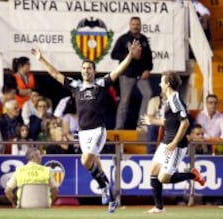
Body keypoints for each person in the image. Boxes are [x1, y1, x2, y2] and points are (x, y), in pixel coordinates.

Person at [30, 39, 141, 213]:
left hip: (98, 130)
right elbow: (54, 74)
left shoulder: (101, 84)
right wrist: (41, 59)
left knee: (85, 160)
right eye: (83, 68)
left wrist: (129, 56)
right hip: (82, 133)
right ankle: (111, 197)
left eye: (89, 68)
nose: (86, 70)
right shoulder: (76, 86)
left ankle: (105, 189)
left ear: (94, 71)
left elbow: (118, 71)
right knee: (95, 162)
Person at [141, 71, 205, 213]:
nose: (160, 83)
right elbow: (167, 123)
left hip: (176, 145)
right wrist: (152, 121)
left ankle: (193, 175)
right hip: (166, 142)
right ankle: (159, 208)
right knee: (153, 171)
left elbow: (185, 123)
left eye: (162, 81)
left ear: (168, 84)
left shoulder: (176, 100)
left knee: (164, 178)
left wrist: (175, 143)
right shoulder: (169, 100)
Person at [111, 16, 153, 130]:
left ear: (140, 26)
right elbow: (113, 54)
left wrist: (148, 69)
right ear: (130, 25)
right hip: (127, 74)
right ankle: (119, 127)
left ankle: (141, 124)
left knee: (148, 94)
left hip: (141, 75)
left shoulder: (143, 39)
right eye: (133, 24)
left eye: (137, 24)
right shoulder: (124, 39)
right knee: (124, 101)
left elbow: (149, 58)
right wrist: (129, 55)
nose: (135, 26)